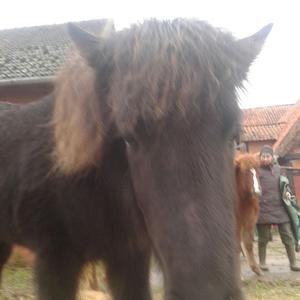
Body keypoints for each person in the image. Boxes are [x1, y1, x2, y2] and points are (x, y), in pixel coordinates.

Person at [256, 145, 300, 272]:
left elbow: (285, 185)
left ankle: (293, 263)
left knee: (287, 236)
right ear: (260, 157)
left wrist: (290, 198)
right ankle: (262, 263)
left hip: (280, 208)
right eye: (263, 156)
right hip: (263, 209)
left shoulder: (279, 169)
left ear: (272, 157)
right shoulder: (256, 171)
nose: (265, 159)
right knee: (263, 238)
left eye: (267, 156)